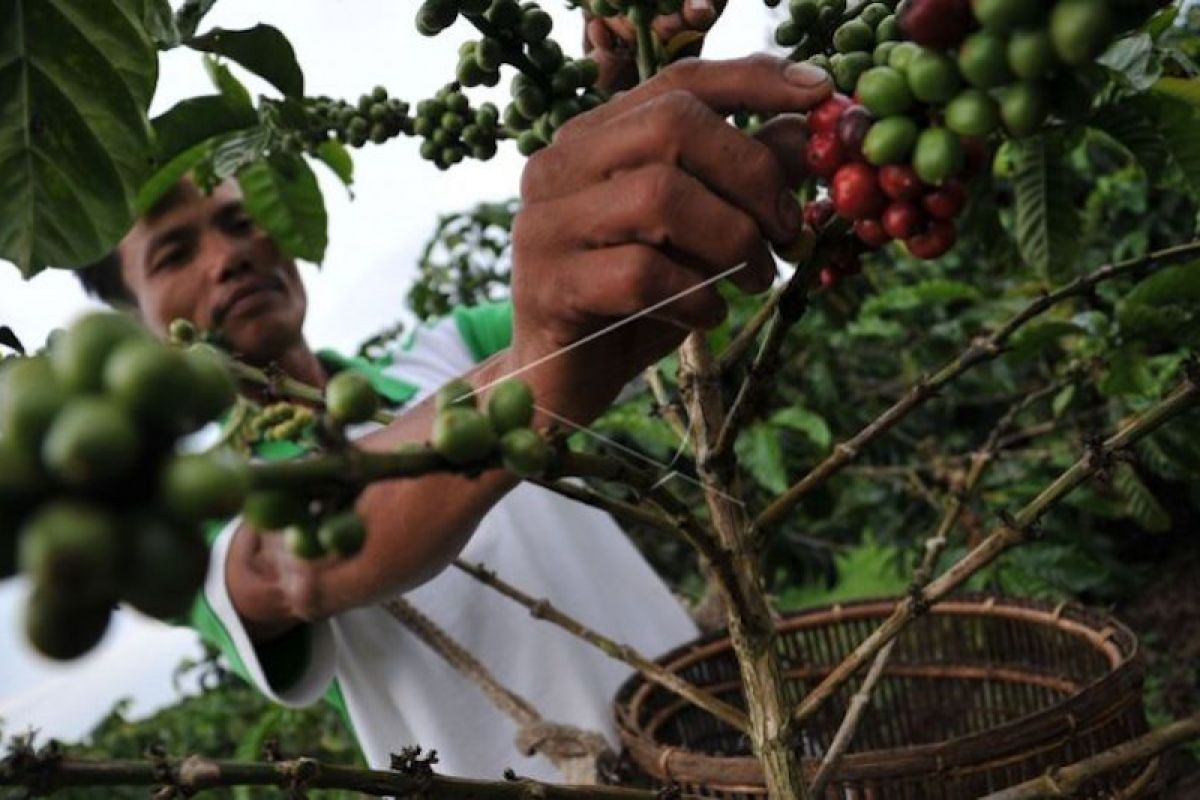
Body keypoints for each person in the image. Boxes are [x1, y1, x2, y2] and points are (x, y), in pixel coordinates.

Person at [74, 16, 832, 780]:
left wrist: (629, 125)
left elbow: (617, 286)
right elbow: (287, 570)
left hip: (729, 753)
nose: (229, 255)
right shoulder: (193, 507)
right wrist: (535, 370)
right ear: (132, 321)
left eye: (240, 220)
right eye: (175, 251)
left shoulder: (451, 350)